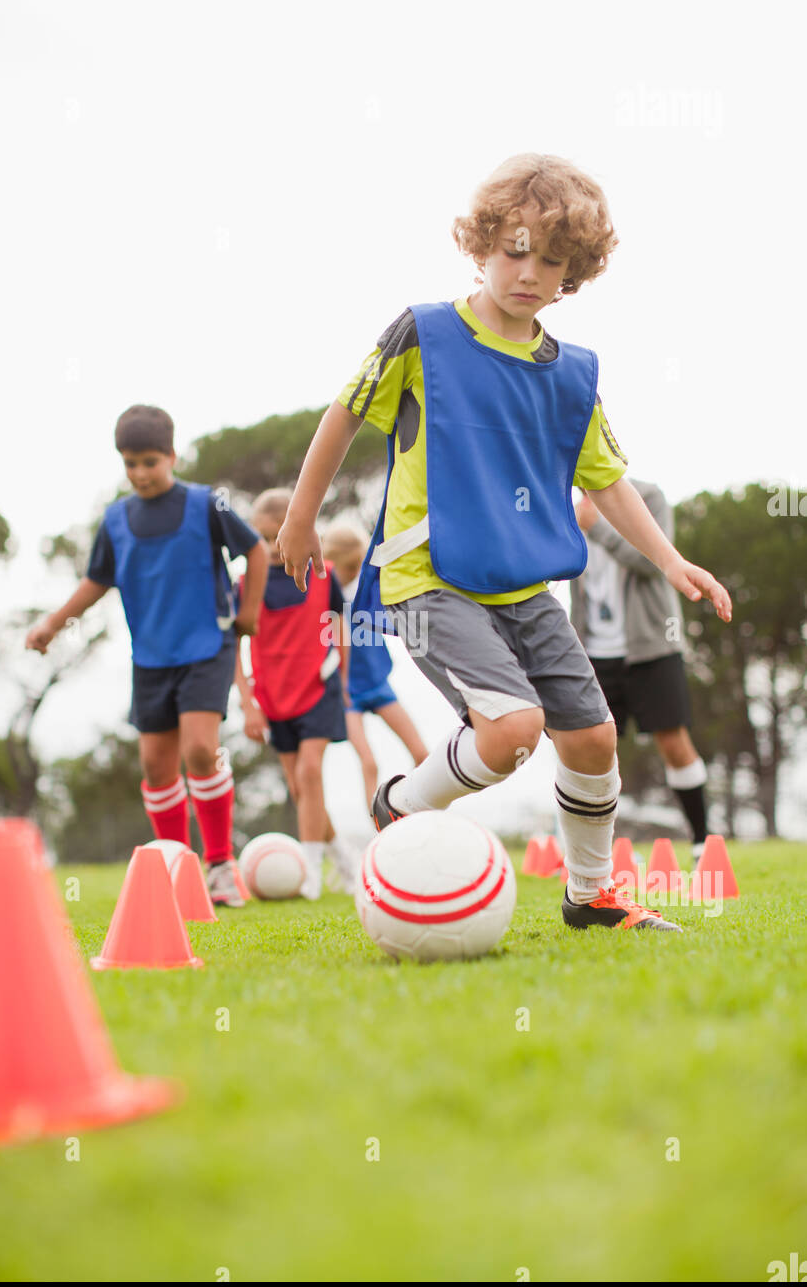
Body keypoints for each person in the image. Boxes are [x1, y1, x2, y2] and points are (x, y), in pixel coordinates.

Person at [275, 153, 732, 933]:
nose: (529, 271)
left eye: (553, 261)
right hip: (426, 579)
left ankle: (591, 899)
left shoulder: (572, 374)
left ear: (574, 275)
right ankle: (400, 805)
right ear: (482, 243)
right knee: (514, 729)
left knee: (591, 737)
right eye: (515, 248)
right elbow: (343, 415)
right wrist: (299, 518)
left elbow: (608, 481)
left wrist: (671, 559)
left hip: (524, 589)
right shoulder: (424, 333)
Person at [25, 404, 268, 907]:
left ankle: (220, 863)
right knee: (156, 767)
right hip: (152, 657)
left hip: (208, 645)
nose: (139, 473)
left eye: (150, 462)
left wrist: (249, 614)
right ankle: (177, 869)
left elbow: (258, 550)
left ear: (172, 456)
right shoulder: (115, 520)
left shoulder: (207, 504)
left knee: (200, 751)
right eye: (130, 463)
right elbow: (97, 580)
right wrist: (52, 622)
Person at [571, 482, 710, 862]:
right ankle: (600, 855)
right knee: (591, 750)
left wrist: (597, 527)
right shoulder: (566, 505)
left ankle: (702, 844)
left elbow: (656, 563)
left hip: (651, 645)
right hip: (593, 652)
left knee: (674, 743)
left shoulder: (648, 498)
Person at [235, 489, 358, 900]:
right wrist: (246, 701)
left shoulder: (323, 577)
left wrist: (343, 677)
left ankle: (310, 876)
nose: (270, 546)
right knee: (299, 785)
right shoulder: (244, 585)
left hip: (318, 684)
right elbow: (234, 644)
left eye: (277, 536)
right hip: (271, 695)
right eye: (261, 538)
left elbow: (339, 625)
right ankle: (342, 855)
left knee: (309, 772)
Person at [321, 520, 428, 812]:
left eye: (357, 569)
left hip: (379, 685)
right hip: (348, 694)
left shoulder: (365, 591)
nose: (353, 575)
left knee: (422, 753)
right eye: (349, 569)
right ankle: (379, 830)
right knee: (369, 763)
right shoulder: (324, 597)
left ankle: (420, 812)